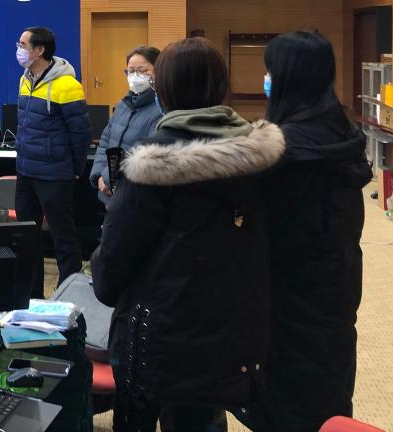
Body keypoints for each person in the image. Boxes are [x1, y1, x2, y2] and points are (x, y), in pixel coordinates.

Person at [91, 37, 285, 432]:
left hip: (158, 336)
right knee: (203, 417)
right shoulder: (258, 158)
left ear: (165, 90)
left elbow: (111, 267)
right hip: (231, 328)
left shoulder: (151, 165)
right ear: (221, 86)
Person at [250, 32, 372, 432]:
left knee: (287, 404)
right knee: (328, 395)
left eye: (271, 71)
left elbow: (267, 233)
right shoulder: (341, 128)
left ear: (290, 77)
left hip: (290, 296)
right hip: (338, 283)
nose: (267, 79)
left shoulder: (285, 150)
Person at [14, 26, 92, 293]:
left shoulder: (67, 85)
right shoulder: (24, 79)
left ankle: (67, 295)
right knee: (27, 237)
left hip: (55, 174)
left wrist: (75, 169)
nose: (19, 50)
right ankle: (31, 295)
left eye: (23, 45)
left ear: (39, 50)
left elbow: (81, 133)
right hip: (26, 171)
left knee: (63, 239)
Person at [89, 45, 162, 206]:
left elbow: (143, 152)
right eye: (130, 71)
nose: (135, 76)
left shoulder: (160, 109)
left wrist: (108, 178)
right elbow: (105, 142)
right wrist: (99, 174)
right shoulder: (123, 105)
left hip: (136, 197)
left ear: (158, 72)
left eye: (142, 71)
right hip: (110, 195)